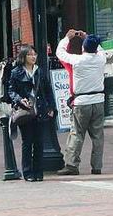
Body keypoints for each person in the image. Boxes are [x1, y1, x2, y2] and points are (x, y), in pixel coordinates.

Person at [56, 29, 106, 176]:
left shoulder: (77, 60)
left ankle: (72, 165)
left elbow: (60, 53)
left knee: (77, 133)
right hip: (98, 100)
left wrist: (67, 38)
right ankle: (97, 166)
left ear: (83, 48)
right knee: (98, 136)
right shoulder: (101, 58)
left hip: (81, 101)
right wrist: (88, 37)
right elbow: (100, 49)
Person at [8, 44, 55, 182]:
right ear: (23, 56)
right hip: (26, 111)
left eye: (34, 54)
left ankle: (39, 172)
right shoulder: (16, 72)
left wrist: (50, 107)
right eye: (30, 54)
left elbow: (48, 90)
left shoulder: (39, 71)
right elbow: (11, 91)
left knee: (39, 142)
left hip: (40, 109)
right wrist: (20, 99)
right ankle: (28, 172)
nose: (33, 57)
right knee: (27, 142)